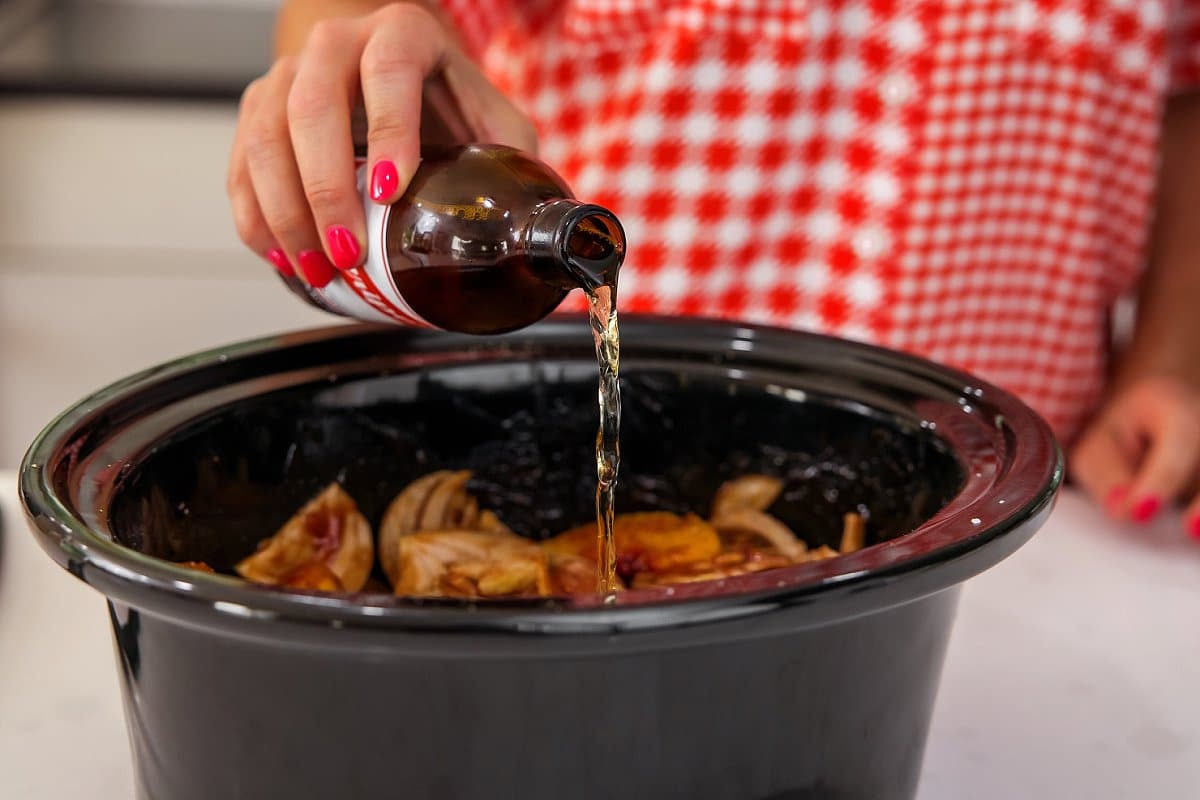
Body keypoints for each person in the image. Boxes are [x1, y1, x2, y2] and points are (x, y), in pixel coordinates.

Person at [227, 0, 1200, 537]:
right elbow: (357, 16)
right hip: (549, 512)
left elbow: (1187, 92)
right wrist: (356, 70)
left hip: (1023, 530)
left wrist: (1168, 360)